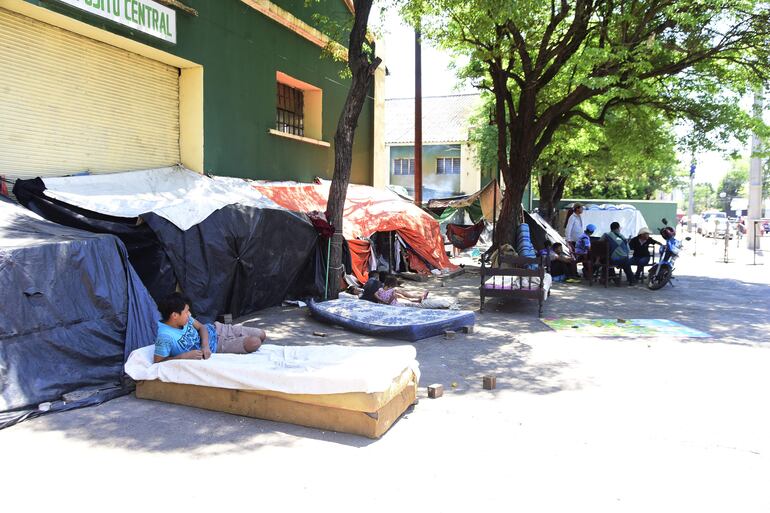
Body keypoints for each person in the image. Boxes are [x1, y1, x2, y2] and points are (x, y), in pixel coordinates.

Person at [154, 292, 266, 363]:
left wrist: (205, 345)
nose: (190, 314)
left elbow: (202, 327)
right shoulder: (165, 336)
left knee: (262, 334)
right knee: (255, 342)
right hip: (217, 346)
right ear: (174, 315)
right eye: (187, 311)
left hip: (216, 329)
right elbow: (158, 361)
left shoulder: (184, 319)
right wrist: (183, 356)